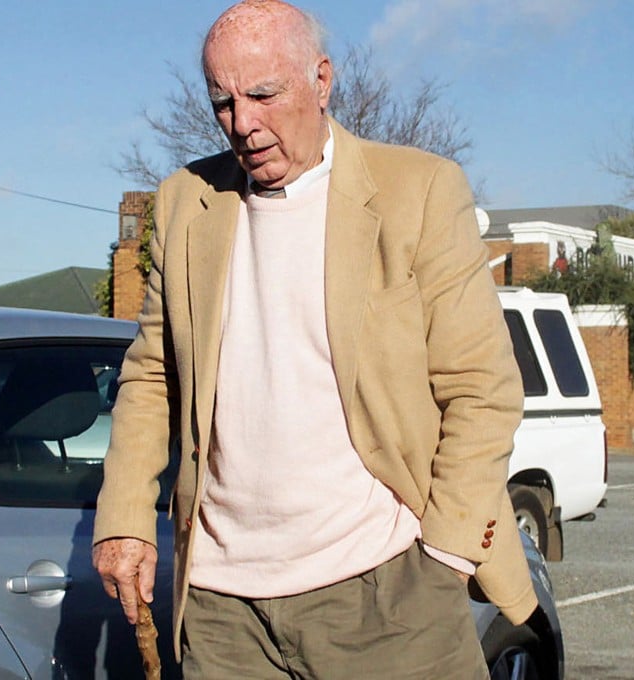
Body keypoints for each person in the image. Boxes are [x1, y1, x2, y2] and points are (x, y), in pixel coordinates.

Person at [92, 1, 535, 677]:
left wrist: (442, 558)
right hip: (220, 611)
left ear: (321, 81)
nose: (243, 123)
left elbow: (483, 387)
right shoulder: (185, 202)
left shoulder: (418, 191)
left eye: (264, 95)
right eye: (223, 103)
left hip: (386, 593)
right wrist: (123, 516)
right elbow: (154, 374)